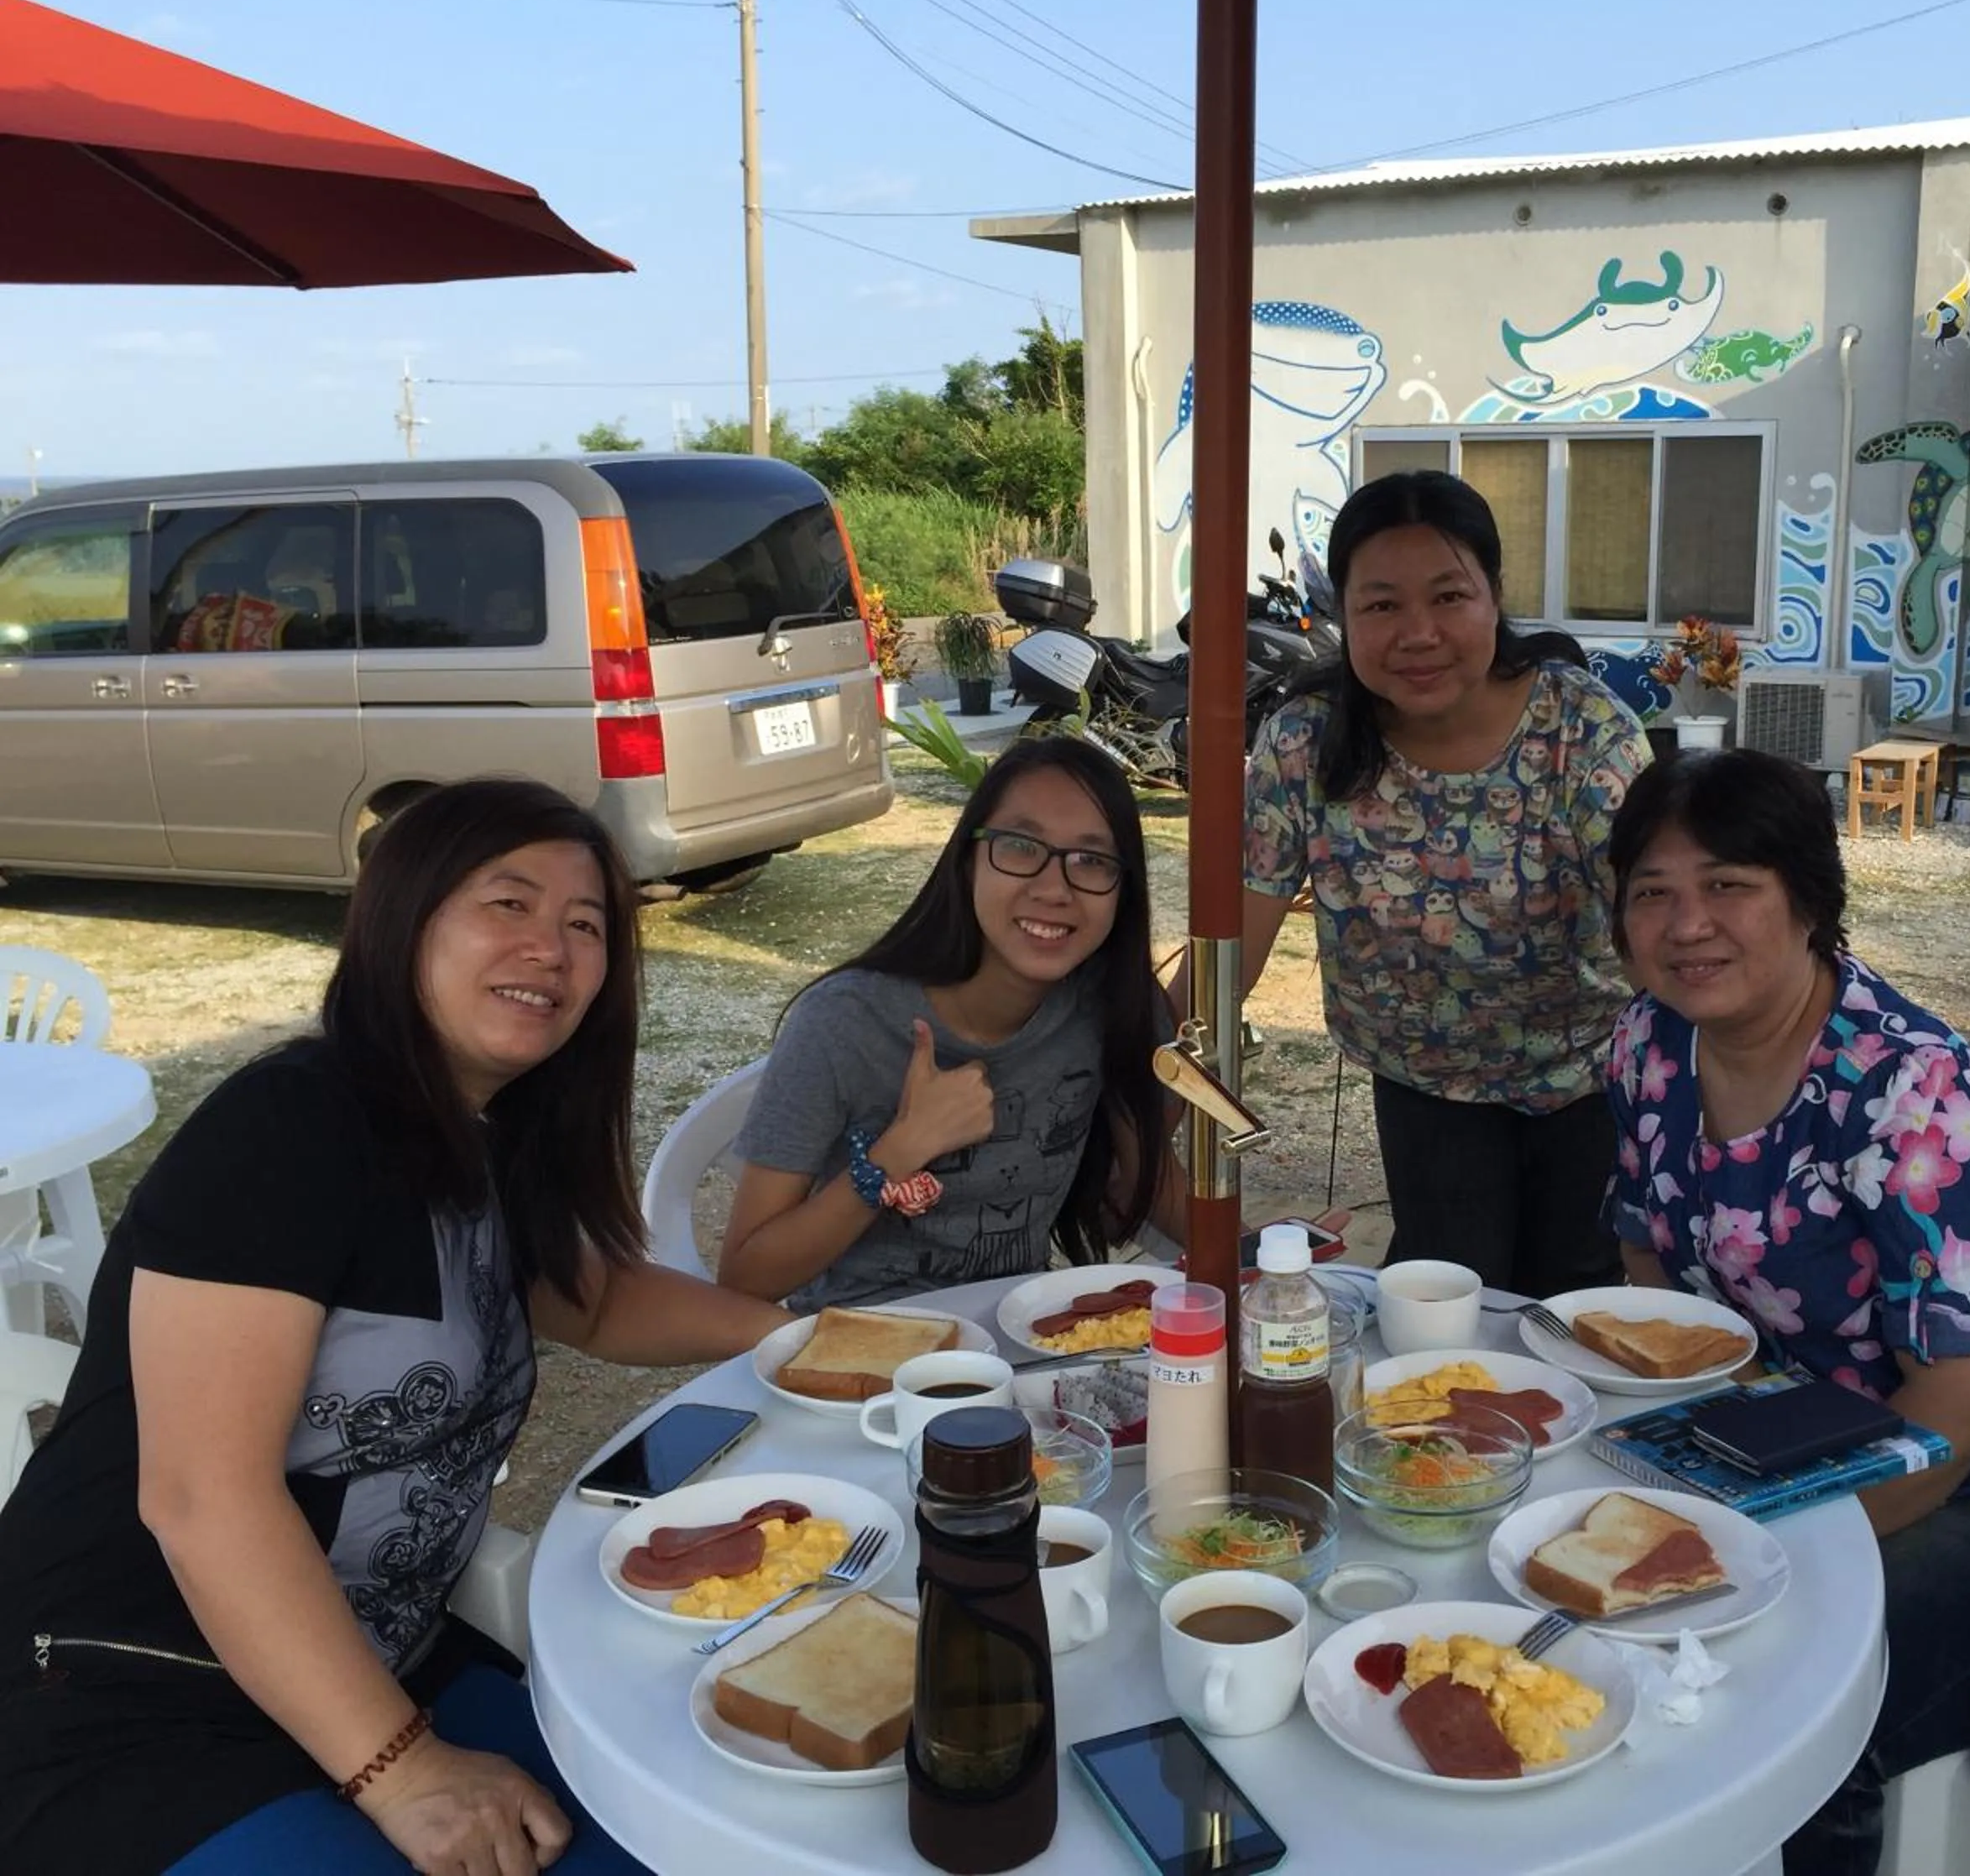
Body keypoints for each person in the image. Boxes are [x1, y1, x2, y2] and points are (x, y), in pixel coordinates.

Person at [0, 779, 798, 1876]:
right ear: (404, 918)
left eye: (586, 925)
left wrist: (811, 1339)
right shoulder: (287, 1128)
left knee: (700, 1825)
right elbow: (200, 1498)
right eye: (508, 903)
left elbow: (602, 1298)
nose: (552, 947)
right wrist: (409, 1773)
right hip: (136, 1695)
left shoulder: (486, 1134)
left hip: (387, 1656)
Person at [1597, 749, 1970, 1876]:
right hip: (1808, 1452)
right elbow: (1649, 1258)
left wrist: (1767, 1543)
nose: (1687, 925)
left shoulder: (1916, 1091)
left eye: (1728, 884)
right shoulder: (1651, 1046)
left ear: (1808, 899)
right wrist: (1684, 1454)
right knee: (1603, 1602)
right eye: (1652, 892)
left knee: (1771, 1680)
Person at [1227, 469, 1650, 1298]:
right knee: (1446, 1290)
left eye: (1449, 596)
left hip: (1588, 1076)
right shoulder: (1305, 742)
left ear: (1495, 596)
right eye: (1381, 605)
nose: (1418, 633)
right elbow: (1230, 948)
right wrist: (1141, 1071)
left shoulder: (1584, 730)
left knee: (1573, 1301)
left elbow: (1656, 930)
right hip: (1422, 1081)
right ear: (1344, 615)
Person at [719, 736, 1180, 1308]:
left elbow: (1142, 1182)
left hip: (1020, 1338)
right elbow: (745, 1277)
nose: (1054, 888)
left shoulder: (1113, 1004)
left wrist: (1269, 1258)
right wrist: (900, 1150)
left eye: (1092, 860)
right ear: (967, 861)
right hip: (858, 1344)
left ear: (1123, 891)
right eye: (1020, 847)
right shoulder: (843, 1024)